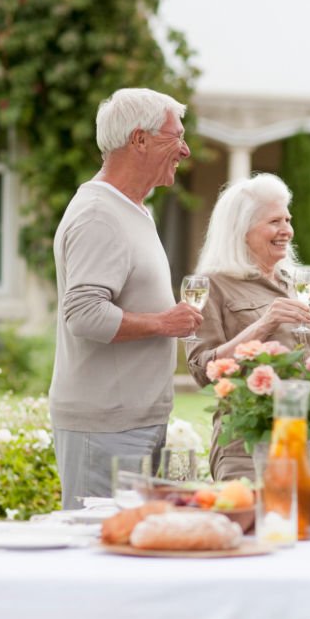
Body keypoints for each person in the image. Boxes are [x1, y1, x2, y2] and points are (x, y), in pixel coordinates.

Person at [50, 88, 202, 508]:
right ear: (139, 140)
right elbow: (83, 314)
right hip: (106, 428)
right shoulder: (100, 215)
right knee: (101, 559)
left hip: (132, 423)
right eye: (177, 137)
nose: (186, 150)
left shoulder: (131, 209)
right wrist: (163, 323)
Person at [187, 173, 310, 481]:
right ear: (242, 230)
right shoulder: (213, 285)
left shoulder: (292, 283)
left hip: (307, 439)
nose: (287, 231)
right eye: (274, 222)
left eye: (288, 220)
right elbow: (201, 371)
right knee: (254, 527)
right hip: (248, 447)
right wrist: (265, 324)